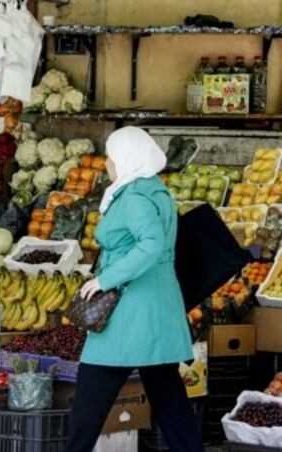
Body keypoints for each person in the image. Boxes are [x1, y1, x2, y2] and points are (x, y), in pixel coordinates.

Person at [64, 126, 205, 452]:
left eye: (111, 157)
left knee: (89, 401)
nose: (106, 165)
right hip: (158, 311)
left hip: (128, 314)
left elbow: (151, 245)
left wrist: (104, 279)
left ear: (125, 158)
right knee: (171, 404)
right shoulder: (155, 189)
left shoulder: (135, 197)